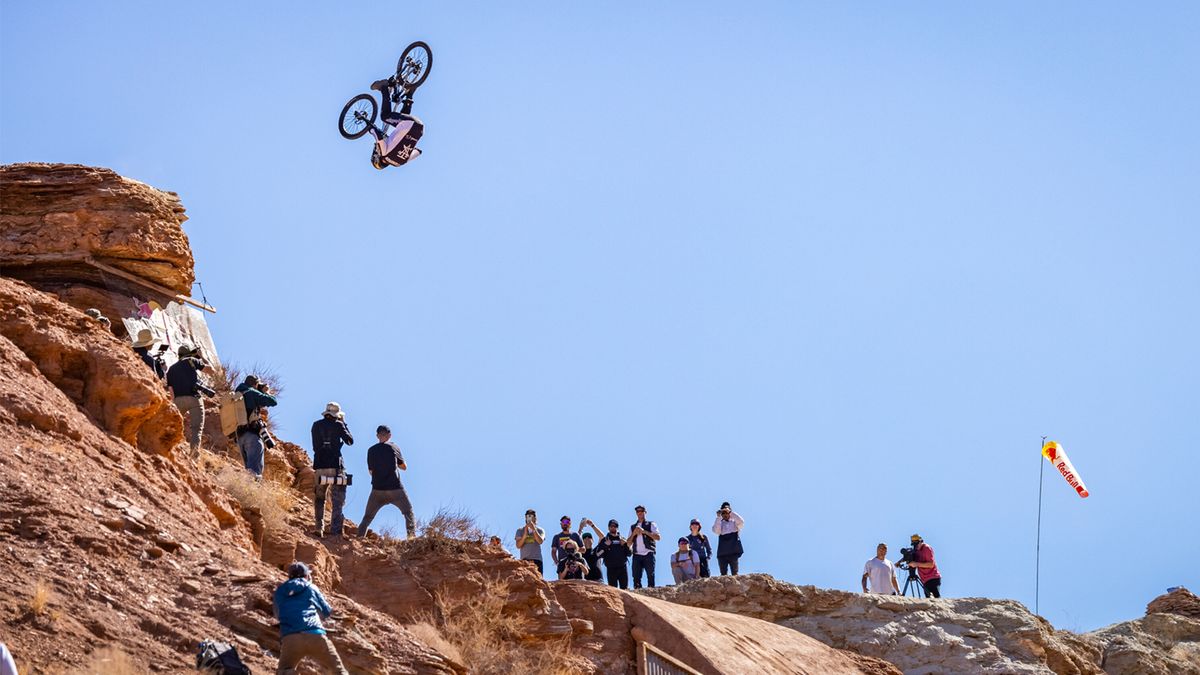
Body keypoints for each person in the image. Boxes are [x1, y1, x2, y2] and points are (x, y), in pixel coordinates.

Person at [273, 562, 348, 675]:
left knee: (284, 671)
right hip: (315, 635)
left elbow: (277, 614)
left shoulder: (280, 591)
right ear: (307, 575)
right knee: (339, 670)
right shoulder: (311, 587)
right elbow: (327, 611)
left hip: (290, 637)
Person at [357, 425, 416, 539]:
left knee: (368, 517)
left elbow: (371, 471)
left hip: (377, 489)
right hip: (395, 488)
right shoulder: (394, 446)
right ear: (389, 435)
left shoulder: (371, 450)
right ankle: (411, 537)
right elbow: (404, 467)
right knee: (408, 512)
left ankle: (359, 539)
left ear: (377, 436)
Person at [310, 402, 354, 537]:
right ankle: (335, 530)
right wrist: (344, 423)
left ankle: (319, 527)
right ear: (337, 414)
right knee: (337, 499)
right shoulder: (338, 424)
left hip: (319, 466)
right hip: (335, 466)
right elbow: (350, 441)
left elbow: (315, 446)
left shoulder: (316, 425)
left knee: (319, 498)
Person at [368, 77, 424, 169]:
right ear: (377, 158)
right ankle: (383, 87)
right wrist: (370, 129)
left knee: (401, 127)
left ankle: (410, 93)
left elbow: (418, 151)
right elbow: (378, 136)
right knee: (385, 116)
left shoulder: (400, 163)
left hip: (419, 128)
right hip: (409, 124)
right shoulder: (384, 155)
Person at [165, 345, 210, 453]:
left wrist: (175, 403)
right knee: (196, 429)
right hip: (194, 398)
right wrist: (201, 356)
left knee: (173, 425)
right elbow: (211, 371)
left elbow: (171, 391)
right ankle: (194, 455)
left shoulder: (171, 369)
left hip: (178, 400)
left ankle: (169, 449)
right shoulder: (192, 360)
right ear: (189, 353)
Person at [235, 375, 278, 477]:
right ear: (255, 384)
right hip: (251, 435)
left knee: (249, 470)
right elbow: (273, 401)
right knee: (255, 472)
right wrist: (266, 392)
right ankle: (253, 489)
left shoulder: (237, 394)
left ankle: (246, 489)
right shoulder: (252, 392)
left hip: (239, 437)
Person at [628, 505, 660, 589]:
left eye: (641, 511)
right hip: (637, 554)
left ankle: (651, 593)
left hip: (648, 552)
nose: (639, 513)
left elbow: (658, 537)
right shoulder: (632, 527)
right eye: (637, 511)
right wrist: (634, 534)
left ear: (645, 512)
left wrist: (644, 532)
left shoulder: (651, 524)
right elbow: (628, 544)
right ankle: (638, 596)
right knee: (636, 577)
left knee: (650, 575)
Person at [594, 519, 632, 589]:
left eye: (615, 526)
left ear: (617, 527)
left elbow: (629, 554)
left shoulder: (622, 539)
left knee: (625, 589)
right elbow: (598, 555)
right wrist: (605, 545)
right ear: (608, 528)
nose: (613, 527)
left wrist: (625, 545)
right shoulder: (605, 540)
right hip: (611, 569)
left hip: (622, 568)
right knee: (613, 590)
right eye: (611, 526)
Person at [712, 501, 745, 576]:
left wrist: (731, 513)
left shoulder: (734, 523)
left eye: (727, 512)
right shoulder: (720, 523)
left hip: (733, 552)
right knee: (723, 574)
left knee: (735, 573)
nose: (725, 514)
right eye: (723, 512)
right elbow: (716, 531)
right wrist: (718, 517)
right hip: (722, 552)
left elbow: (741, 522)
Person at [909, 533, 942, 598]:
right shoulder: (916, 550)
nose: (916, 546)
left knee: (936, 598)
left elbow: (931, 564)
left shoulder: (927, 548)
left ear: (921, 541)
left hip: (933, 577)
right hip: (924, 580)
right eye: (914, 545)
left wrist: (916, 564)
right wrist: (899, 562)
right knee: (928, 599)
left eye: (917, 544)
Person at [514, 509, 546, 574]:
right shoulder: (520, 530)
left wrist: (534, 529)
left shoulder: (540, 530)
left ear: (535, 518)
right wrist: (525, 535)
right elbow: (518, 545)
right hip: (524, 560)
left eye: (531, 516)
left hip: (537, 559)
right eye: (528, 516)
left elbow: (540, 541)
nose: (529, 518)